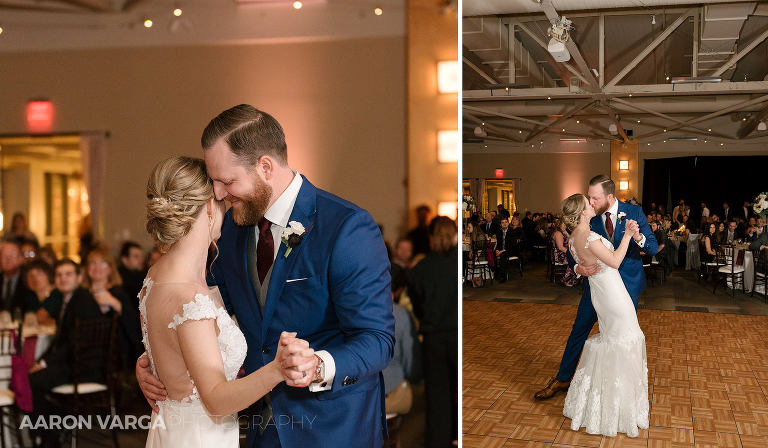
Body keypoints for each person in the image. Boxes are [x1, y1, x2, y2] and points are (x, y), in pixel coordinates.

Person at [137, 106, 394, 447]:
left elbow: (378, 339)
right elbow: (204, 309)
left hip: (332, 429)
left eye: (227, 181)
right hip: (259, 427)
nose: (217, 194)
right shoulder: (232, 226)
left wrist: (318, 364)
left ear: (265, 167)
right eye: (214, 181)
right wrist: (156, 360)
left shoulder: (347, 228)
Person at [137, 156, 313, 447]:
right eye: (220, 202)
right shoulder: (190, 299)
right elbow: (216, 400)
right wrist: (277, 369)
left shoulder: (155, 275)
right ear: (208, 207)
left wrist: (150, 363)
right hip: (199, 437)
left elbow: (171, 344)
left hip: (171, 429)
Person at [534, 175, 657, 412]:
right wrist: (578, 268)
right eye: (589, 197)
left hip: (625, 287)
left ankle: (617, 389)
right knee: (579, 331)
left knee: (620, 338)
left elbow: (651, 246)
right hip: (597, 286)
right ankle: (563, 378)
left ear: (609, 197)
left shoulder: (634, 211)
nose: (591, 201)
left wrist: (638, 236)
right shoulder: (588, 217)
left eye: (595, 197)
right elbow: (574, 249)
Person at [556, 193, 648, 437]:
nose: (592, 204)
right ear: (583, 211)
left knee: (614, 340)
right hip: (613, 296)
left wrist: (580, 266)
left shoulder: (574, 237)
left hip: (603, 294)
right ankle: (617, 407)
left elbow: (576, 254)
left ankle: (607, 399)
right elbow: (616, 261)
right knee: (625, 340)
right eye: (588, 202)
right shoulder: (589, 236)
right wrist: (628, 235)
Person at [28, 259, 104, 447]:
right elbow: (60, 342)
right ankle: (53, 431)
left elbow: (73, 344)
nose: (63, 278)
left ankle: (48, 437)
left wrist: (44, 364)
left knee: (33, 380)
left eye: (68, 274)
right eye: (59, 275)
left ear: (79, 278)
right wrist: (42, 360)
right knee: (31, 375)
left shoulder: (82, 301)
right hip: (74, 363)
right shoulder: (69, 300)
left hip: (85, 368)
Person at [408, 217, 458, 448]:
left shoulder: (420, 269)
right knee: (458, 389)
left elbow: (417, 306)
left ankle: (438, 441)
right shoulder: (459, 263)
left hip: (434, 337)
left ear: (431, 237)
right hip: (456, 335)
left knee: (437, 395)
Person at [82, 246, 144, 367]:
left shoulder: (118, 293)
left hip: (112, 356)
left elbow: (134, 327)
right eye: (93, 263)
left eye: (103, 263)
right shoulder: (82, 294)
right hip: (84, 352)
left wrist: (115, 304)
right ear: (87, 268)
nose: (97, 267)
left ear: (110, 268)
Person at [22, 259, 62, 326]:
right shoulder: (31, 297)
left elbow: (41, 318)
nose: (35, 278)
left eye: (39, 273)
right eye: (30, 275)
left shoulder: (58, 294)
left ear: (48, 275)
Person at [0, 241, 30, 313]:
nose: (8, 259)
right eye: (4, 256)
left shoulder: (29, 281)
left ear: (21, 259)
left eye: (12, 255)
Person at [118, 241, 147, 306]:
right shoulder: (119, 279)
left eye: (142, 256)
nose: (141, 259)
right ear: (125, 260)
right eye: (136, 256)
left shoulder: (145, 273)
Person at [551, 219, 578, 286]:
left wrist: (565, 232)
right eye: (564, 224)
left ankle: (575, 277)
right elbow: (560, 247)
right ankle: (568, 280)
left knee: (577, 257)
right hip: (560, 255)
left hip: (563, 253)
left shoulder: (562, 232)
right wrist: (571, 253)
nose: (565, 226)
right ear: (559, 225)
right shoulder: (558, 233)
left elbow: (571, 240)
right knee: (575, 259)